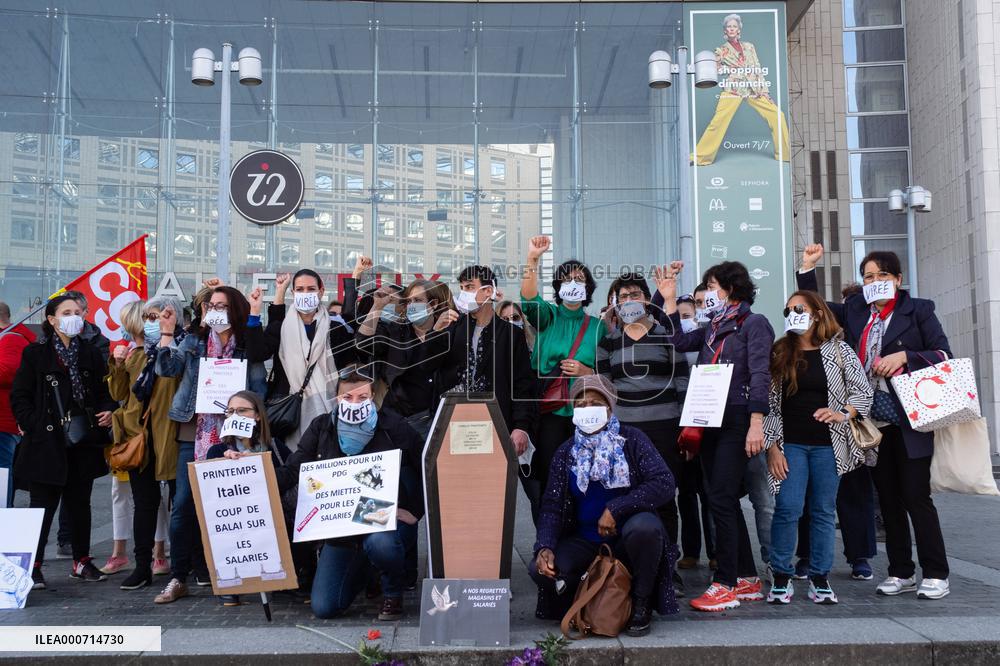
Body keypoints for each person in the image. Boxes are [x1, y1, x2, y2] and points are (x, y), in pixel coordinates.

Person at [798, 244, 953, 600]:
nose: (875, 281)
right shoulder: (855, 310)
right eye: (868, 276)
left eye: (883, 275)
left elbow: (945, 354)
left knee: (916, 496)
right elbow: (815, 305)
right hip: (870, 423)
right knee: (888, 497)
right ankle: (901, 572)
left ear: (898, 279)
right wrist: (808, 268)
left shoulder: (919, 311)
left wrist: (905, 356)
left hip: (910, 419)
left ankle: (936, 572)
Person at [654, 260, 774, 612]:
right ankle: (747, 577)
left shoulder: (754, 324)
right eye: (706, 286)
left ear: (732, 288)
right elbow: (676, 340)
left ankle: (725, 583)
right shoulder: (712, 327)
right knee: (720, 496)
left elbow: (761, 374)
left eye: (712, 285)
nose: (707, 293)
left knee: (720, 496)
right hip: (709, 417)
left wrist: (756, 423)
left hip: (738, 418)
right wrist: (670, 300)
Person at [531, 375, 677, 637]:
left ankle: (641, 602)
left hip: (626, 537)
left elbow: (664, 482)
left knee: (646, 528)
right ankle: (585, 601)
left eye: (595, 403)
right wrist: (545, 546)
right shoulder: (566, 451)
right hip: (585, 539)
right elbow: (552, 505)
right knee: (540, 569)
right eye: (581, 404)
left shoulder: (632, 439)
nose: (588, 409)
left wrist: (616, 508)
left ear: (609, 407)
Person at [275, 370, 424, 620]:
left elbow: (425, 462)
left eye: (362, 397)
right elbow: (293, 468)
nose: (354, 403)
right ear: (336, 399)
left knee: (380, 544)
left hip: (380, 518)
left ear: (373, 397)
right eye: (347, 397)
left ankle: (392, 593)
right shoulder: (321, 426)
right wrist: (253, 474)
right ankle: (368, 571)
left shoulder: (393, 425)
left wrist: (414, 511)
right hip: (341, 528)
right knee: (325, 607)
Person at [153, 285, 269, 604]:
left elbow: (259, 391)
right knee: (183, 507)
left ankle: (232, 575)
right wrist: (166, 333)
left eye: (223, 305)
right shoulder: (195, 340)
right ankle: (179, 576)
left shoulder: (246, 346)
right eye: (211, 305)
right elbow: (167, 369)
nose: (215, 310)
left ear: (236, 310)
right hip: (195, 434)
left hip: (236, 436)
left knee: (232, 508)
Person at [761, 290, 873, 605]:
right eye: (787, 311)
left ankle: (819, 577)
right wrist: (772, 447)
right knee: (788, 508)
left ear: (817, 313)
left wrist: (842, 413)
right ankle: (781, 574)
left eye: (799, 308)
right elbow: (770, 405)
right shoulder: (779, 352)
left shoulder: (839, 351)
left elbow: (862, 392)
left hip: (829, 445)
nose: (793, 314)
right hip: (790, 444)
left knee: (823, 511)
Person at [10, 294, 117, 588]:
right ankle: (33, 564)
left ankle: (81, 560)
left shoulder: (91, 353)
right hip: (46, 442)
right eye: (67, 312)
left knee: (79, 503)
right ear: (52, 320)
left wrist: (107, 411)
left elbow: (103, 391)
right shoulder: (36, 354)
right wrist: (33, 424)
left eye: (78, 312)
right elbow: (20, 395)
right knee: (41, 506)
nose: (75, 317)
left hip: (82, 438)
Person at [595, 274, 688, 564]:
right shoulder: (608, 341)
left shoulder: (667, 334)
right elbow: (604, 390)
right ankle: (633, 562)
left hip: (665, 427)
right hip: (626, 431)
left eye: (634, 294)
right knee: (627, 493)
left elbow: (682, 381)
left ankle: (668, 563)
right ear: (615, 303)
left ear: (647, 300)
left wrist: (687, 427)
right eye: (622, 296)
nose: (628, 300)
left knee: (664, 496)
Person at [519, 235, 606, 523]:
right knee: (549, 475)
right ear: (558, 287)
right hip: (549, 411)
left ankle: (584, 538)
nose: (573, 283)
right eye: (567, 279)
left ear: (588, 289)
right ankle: (549, 538)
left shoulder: (598, 328)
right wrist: (533, 259)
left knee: (587, 476)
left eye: (579, 279)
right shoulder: (548, 316)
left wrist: (588, 372)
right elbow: (529, 298)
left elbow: (609, 371)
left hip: (586, 410)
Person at [106, 298, 182, 590]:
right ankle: (142, 565)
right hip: (139, 437)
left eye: (157, 317)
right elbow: (119, 392)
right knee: (145, 505)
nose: (152, 323)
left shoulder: (175, 350)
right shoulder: (132, 354)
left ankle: (183, 564)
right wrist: (118, 363)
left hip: (170, 435)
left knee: (180, 503)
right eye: (148, 318)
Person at [436, 266, 536, 484]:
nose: (464, 293)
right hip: (457, 422)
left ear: (488, 291)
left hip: (496, 419)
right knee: (461, 486)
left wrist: (521, 426)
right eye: (462, 288)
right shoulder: (453, 328)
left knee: (493, 486)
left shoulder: (511, 334)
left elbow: (522, 382)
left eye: (470, 287)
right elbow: (434, 370)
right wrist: (437, 333)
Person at [205, 390, 291, 606]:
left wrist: (261, 463)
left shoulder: (276, 447)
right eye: (231, 411)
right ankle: (234, 583)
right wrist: (222, 463)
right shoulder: (216, 451)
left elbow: (291, 476)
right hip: (236, 519)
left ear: (257, 416)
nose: (236, 415)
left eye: (242, 410)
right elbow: (210, 493)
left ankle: (283, 580)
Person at [246, 270, 346, 451]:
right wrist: (254, 312)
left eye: (311, 289)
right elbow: (257, 354)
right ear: (293, 294)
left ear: (321, 292)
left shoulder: (335, 328)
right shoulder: (281, 327)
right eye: (300, 289)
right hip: (290, 410)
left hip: (329, 405)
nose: (305, 294)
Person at [356, 278, 455, 441]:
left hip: (441, 418)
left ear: (433, 304)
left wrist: (435, 334)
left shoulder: (449, 332)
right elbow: (363, 344)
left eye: (418, 300)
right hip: (401, 420)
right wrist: (377, 306)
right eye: (409, 301)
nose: (412, 305)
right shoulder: (396, 331)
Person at [692, 13, 791, 165]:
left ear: (739, 30)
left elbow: (757, 68)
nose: (731, 29)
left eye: (734, 26)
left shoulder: (750, 47)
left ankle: (784, 155)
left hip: (754, 89)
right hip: (734, 89)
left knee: (778, 115)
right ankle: (700, 157)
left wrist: (764, 91)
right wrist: (725, 66)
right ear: (725, 31)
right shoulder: (721, 51)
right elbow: (716, 69)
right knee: (718, 122)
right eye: (729, 27)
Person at [0, 301, 35, 507]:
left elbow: (7, 372)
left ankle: (3, 516)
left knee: (2, 470)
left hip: (3, 420)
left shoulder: (11, 338)